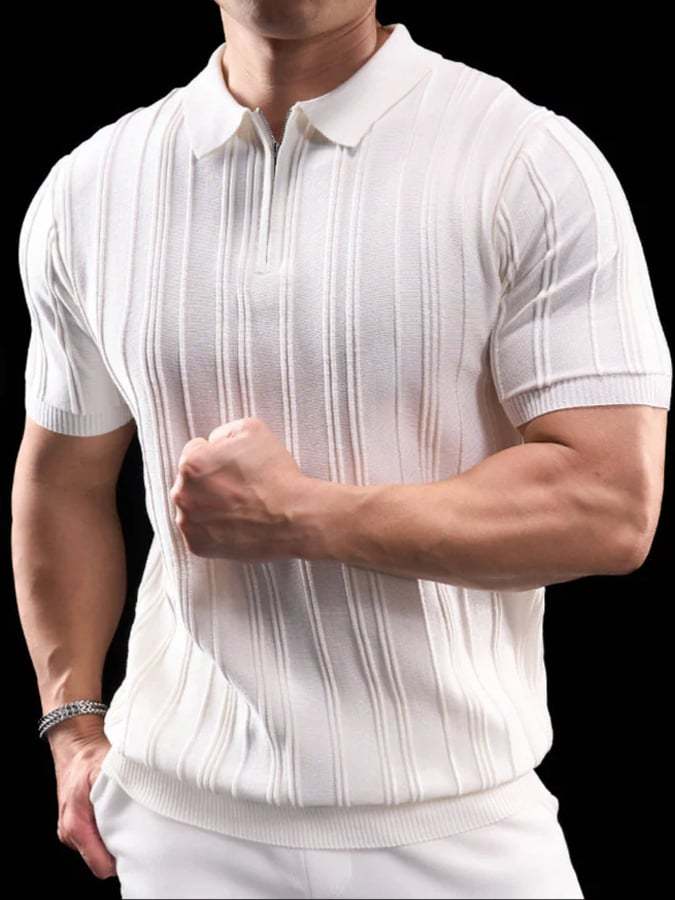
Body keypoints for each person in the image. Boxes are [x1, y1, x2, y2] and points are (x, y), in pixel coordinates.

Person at [12, 1, 670, 898]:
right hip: (177, 836)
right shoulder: (91, 189)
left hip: (457, 833)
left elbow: (607, 506)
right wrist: (72, 723)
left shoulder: (527, 163)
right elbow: (63, 479)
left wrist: (303, 516)